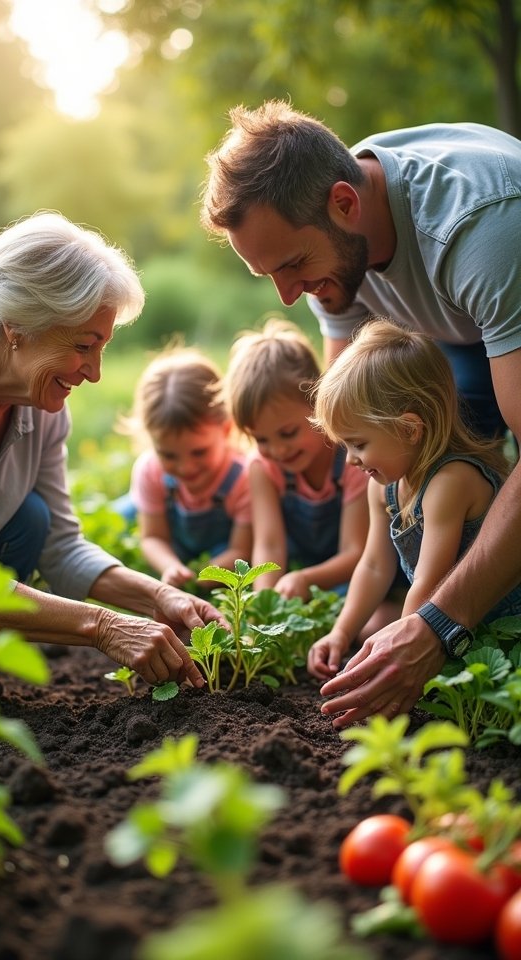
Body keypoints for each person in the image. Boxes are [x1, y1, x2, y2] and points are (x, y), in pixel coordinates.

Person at [201, 100, 521, 727]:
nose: (288, 295)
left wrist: (433, 627)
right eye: (267, 274)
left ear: (346, 203)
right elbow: (347, 418)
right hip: (459, 331)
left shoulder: (478, 229)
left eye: (292, 265)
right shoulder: (333, 238)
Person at [0, 211, 224, 690]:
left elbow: (59, 548)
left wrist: (156, 598)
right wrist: (104, 626)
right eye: (85, 346)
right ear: (16, 326)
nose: (95, 372)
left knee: (33, 521)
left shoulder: (41, 405)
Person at [307, 318, 521, 689]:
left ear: (409, 428)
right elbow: (374, 566)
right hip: (450, 626)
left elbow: (427, 581)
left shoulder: (450, 482)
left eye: (358, 444)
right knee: (372, 626)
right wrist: (340, 633)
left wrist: (395, 659)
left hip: (499, 625)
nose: (350, 461)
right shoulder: (386, 486)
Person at [225, 318, 398, 637]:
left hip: (352, 578)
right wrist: (264, 603)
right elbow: (269, 544)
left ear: (317, 403)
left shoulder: (351, 461)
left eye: (287, 433)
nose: (276, 450)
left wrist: (306, 580)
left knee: (371, 626)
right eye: (260, 439)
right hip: (302, 580)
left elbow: (355, 552)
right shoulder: (262, 467)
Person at [118, 345, 252, 588]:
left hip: (218, 550)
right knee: (119, 517)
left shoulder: (243, 477)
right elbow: (153, 537)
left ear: (226, 429)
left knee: (227, 554)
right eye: (168, 455)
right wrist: (170, 567)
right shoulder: (151, 469)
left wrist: (198, 578)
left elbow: (241, 549)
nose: (186, 467)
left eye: (199, 452)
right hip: (172, 537)